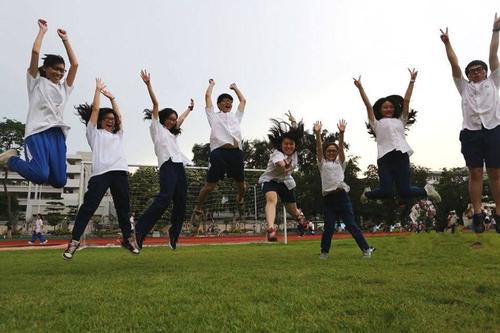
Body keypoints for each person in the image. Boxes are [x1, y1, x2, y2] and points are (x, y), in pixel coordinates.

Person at [62, 79, 139, 260]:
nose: (111, 121)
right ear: (100, 121)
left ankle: (128, 239)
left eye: (113, 120)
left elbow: (120, 117)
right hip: (101, 174)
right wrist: (97, 91)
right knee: (88, 208)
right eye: (107, 119)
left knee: (123, 209)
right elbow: (95, 110)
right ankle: (74, 241)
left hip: (119, 172)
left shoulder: (118, 135)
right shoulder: (94, 133)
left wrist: (113, 99)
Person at [440, 15, 500, 233]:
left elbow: (493, 54)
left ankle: (499, 212)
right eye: (472, 70)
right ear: (467, 76)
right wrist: (448, 43)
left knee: (495, 172)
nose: (476, 72)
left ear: (486, 72)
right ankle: (476, 213)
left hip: (494, 129)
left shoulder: (493, 81)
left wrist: (495, 31)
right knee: (475, 172)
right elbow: (454, 64)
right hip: (471, 132)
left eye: (479, 69)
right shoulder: (464, 88)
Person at [0, 19, 78, 188]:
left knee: (59, 181)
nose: (59, 72)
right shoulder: (36, 82)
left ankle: (44, 169)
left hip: (57, 135)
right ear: (45, 69)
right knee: (40, 175)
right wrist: (42, 31)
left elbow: (75, 64)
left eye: (61, 70)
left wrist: (66, 40)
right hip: (37, 132)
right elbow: (35, 52)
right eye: (55, 69)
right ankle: (11, 160)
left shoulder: (64, 89)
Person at [353, 70, 441, 207]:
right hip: (385, 159)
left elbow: (406, 100)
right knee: (386, 191)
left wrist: (412, 81)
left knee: (405, 192)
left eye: (391, 107)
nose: (388, 109)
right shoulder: (376, 123)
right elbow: (368, 106)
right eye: (385, 107)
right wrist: (360, 88)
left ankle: (426, 190)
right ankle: (367, 193)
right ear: (381, 110)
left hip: (401, 156)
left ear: (394, 109)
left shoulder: (401, 120)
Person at [134, 70, 193, 250]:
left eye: (174, 120)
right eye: (169, 119)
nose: (172, 121)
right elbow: (156, 104)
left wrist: (189, 109)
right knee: (165, 198)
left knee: (181, 200)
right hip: (167, 166)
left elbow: (181, 119)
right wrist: (148, 85)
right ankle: (140, 231)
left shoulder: (172, 134)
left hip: (179, 166)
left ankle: (174, 234)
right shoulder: (156, 128)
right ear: (163, 119)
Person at [314, 119, 375, 259]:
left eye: (333, 151)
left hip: (342, 198)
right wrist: (317, 134)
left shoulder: (340, 163)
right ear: (325, 153)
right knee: (328, 227)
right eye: (328, 151)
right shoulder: (322, 164)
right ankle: (324, 252)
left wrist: (341, 133)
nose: (331, 152)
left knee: (351, 225)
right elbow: (318, 148)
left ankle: (366, 249)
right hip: (329, 199)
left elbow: (341, 148)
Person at [191, 79, 246, 222]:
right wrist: (211, 84)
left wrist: (235, 87)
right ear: (219, 104)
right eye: (225, 101)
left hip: (236, 153)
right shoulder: (213, 116)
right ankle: (198, 209)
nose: (228, 103)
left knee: (242, 185)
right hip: (219, 153)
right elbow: (207, 97)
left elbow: (243, 101)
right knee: (209, 187)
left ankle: (240, 199)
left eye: (230, 101)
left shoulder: (235, 116)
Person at [258, 112, 309, 241]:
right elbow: (281, 164)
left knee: (293, 212)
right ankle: (270, 229)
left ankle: (301, 218)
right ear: (281, 145)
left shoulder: (295, 152)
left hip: (286, 182)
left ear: (295, 145)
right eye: (285, 144)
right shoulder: (277, 154)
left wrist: (293, 122)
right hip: (270, 181)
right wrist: (284, 165)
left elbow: (295, 134)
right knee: (271, 199)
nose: (288, 146)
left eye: (291, 144)